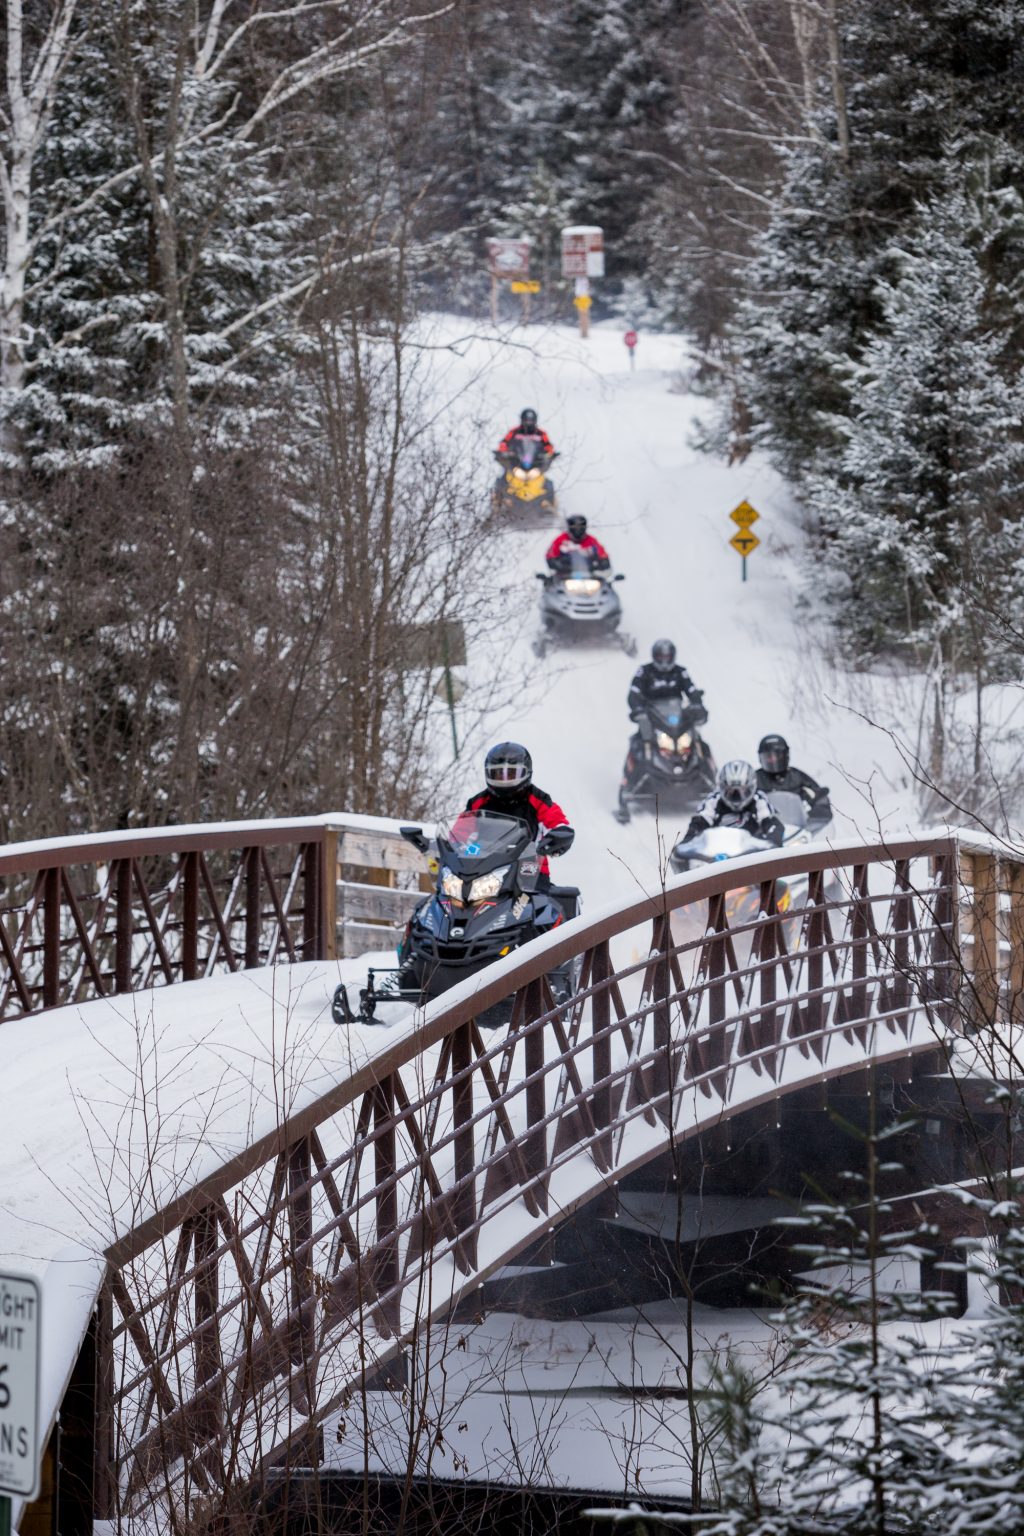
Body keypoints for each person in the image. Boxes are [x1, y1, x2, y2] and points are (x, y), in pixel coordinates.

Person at [464, 742, 574, 880]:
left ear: (525, 772)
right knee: (447, 896)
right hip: (481, 871)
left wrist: (558, 837)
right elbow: (458, 835)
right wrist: (450, 848)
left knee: (543, 900)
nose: (504, 779)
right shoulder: (478, 803)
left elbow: (557, 823)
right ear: (489, 773)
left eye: (510, 773)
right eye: (498, 773)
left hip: (529, 871)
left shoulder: (538, 800)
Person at [681, 760, 785, 848]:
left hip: (752, 855)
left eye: (743, 791)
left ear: (752, 787)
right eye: (730, 791)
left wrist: (772, 843)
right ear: (721, 788)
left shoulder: (759, 799)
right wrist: (686, 843)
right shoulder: (713, 800)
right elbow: (698, 823)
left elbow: (772, 823)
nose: (737, 797)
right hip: (716, 855)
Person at [755, 734, 832, 825]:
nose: (774, 760)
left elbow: (818, 796)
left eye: (777, 756)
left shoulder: (797, 776)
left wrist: (815, 814)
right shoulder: (754, 779)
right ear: (761, 758)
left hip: (797, 830)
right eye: (769, 757)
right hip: (764, 831)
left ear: (785, 755)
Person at [627, 639, 705, 722]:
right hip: (651, 716)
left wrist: (697, 703)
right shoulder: (644, 671)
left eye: (667, 657)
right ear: (655, 656)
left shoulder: (680, 671)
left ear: (672, 656)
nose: (664, 661)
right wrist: (637, 708)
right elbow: (634, 691)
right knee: (643, 731)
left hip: (676, 715)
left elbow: (690, 688)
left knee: (694, 731)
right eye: (661, 657)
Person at [545, 515, 610, 573]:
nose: (578, 529)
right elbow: (550, 555)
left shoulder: (592, 541)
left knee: (605, 585)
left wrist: (603, 562)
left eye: (581, 526)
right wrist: (558, 565)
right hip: (565, 575)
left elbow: (603, 555)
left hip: (590, 575)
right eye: (575, 526)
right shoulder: (560, 540)